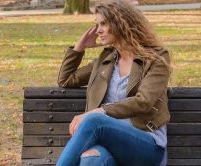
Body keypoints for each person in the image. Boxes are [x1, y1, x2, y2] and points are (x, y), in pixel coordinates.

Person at [56, 0, 171, 165]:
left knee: (93, 121)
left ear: (120, 23)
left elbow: (144, 102)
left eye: (103, 24)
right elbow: (66, 80)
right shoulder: (107, 59)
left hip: (146, 143)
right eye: (97, 25)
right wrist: (78, 48)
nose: (98, 31)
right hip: (109, 144)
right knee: (92, 159)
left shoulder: (155, 58)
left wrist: (98, 112)